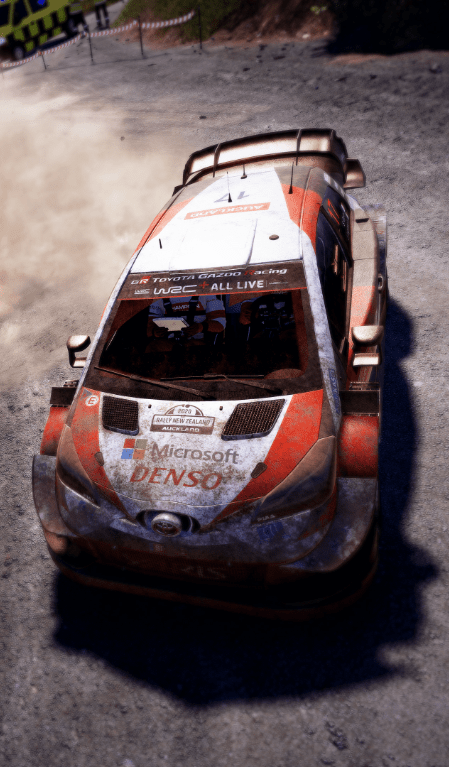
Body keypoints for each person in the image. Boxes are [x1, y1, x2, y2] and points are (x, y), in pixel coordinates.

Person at [147, 295, 226, 348]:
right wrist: (155, 331)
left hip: (198, 343)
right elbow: (148, 329)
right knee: (153, 347)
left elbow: (220, 324)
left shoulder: (208, 292)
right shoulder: (159, 293)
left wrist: (200, 327)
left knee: (191, 347)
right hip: (169, 344)